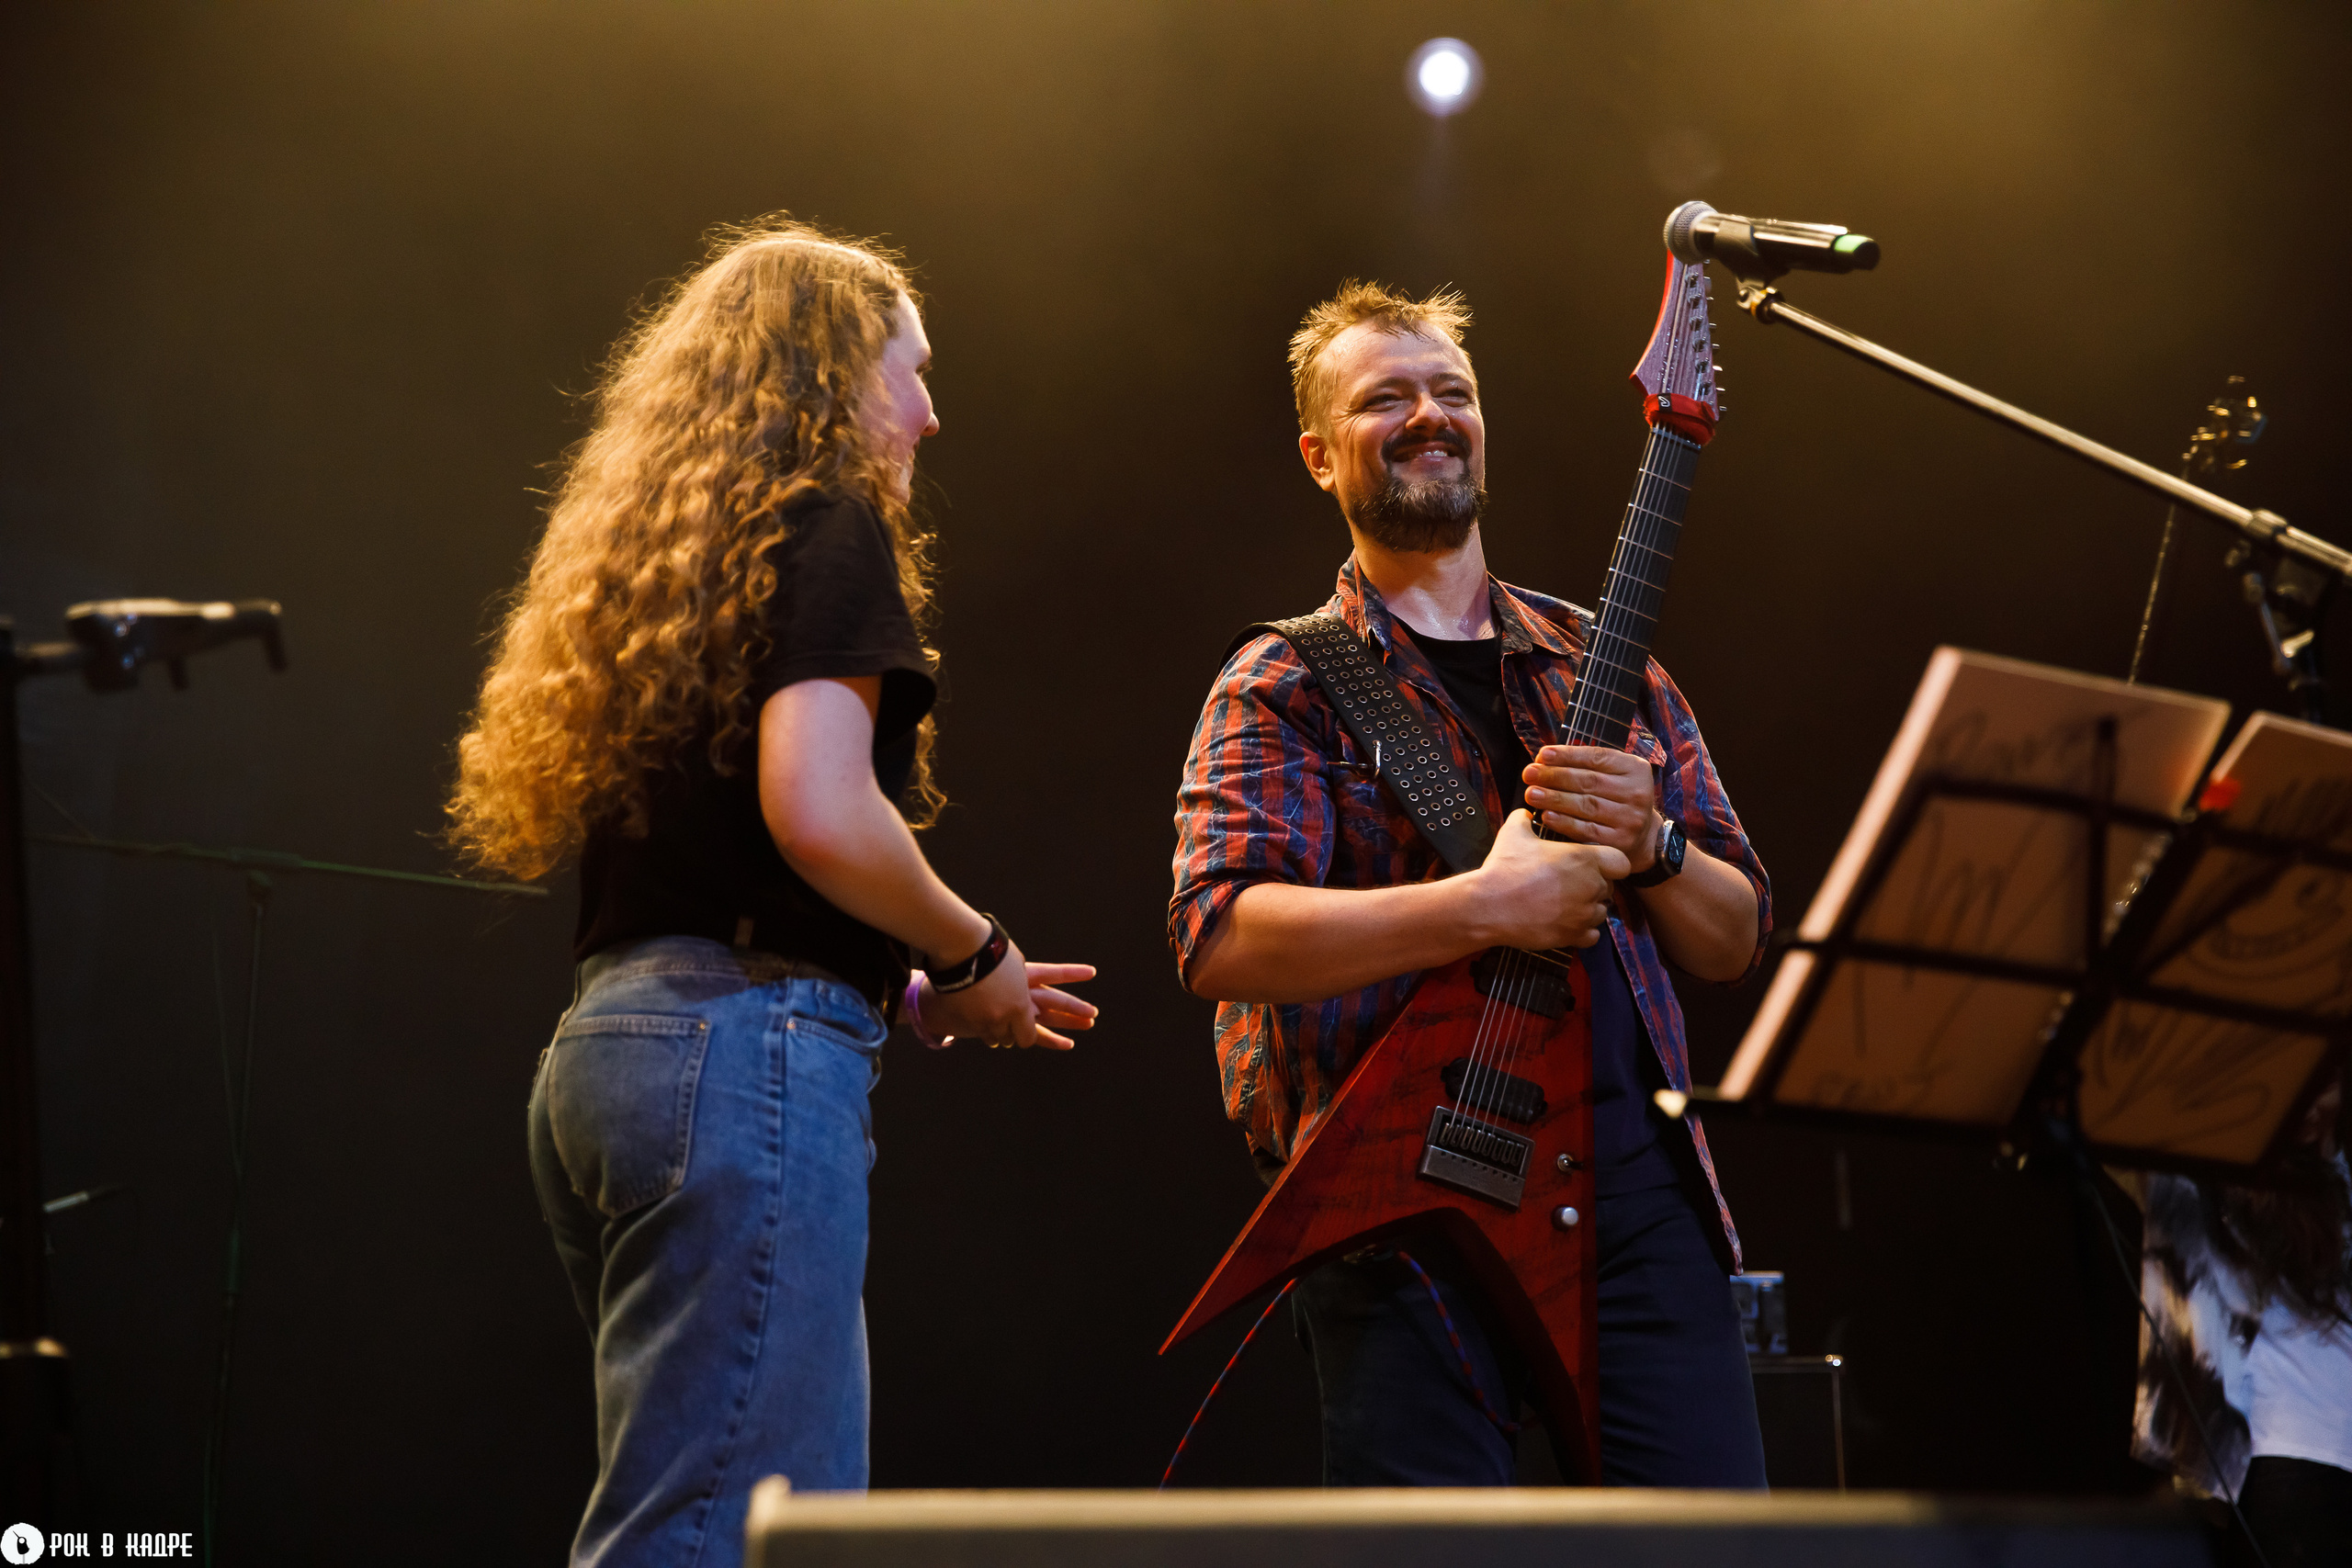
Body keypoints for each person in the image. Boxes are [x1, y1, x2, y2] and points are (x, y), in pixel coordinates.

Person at [448, 219, 1096, 1564]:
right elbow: (817, 809)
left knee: (676, 1507)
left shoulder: (683, 554)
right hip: (741, 1059)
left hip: (612, 1053)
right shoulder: (829, 520)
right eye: (908, 370)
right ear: (828, 374)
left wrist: (889, 971)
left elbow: (724, 846)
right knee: (724, 1535)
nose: (931, 407)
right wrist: (977, 954)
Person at [1169, 279, 1769, 1487]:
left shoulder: (1609, 665)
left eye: (1454, 392)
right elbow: (1220, 933)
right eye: (1385, 398)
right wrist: (1483, 906)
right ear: (1318, 455)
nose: (1430, 414)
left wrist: (1653, 845)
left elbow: (1734, 935)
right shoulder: (1279, 680)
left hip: (1634, 1196)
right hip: (1404, 1200)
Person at [2134, 1070, 2352, 1567]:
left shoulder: (2339, 1176)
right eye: (2303, 1083)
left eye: (2326, 1085)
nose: (2312, 1104)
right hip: (2293, 1455)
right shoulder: (2224, 1181)